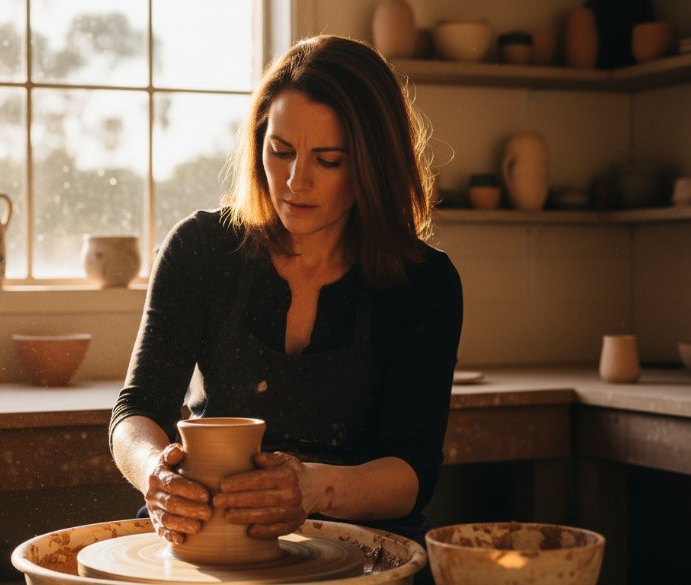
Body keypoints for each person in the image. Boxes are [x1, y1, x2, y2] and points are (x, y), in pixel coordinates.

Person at [108, 34, 462, 582]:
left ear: (374, 164)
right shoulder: (202, 249)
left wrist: (315, 489)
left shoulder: (422, 281)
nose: (296, 181)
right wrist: (154, 472)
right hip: (208, 536)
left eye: (328, 160)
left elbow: (413, 469)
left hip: (360, 545)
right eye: (281, 151)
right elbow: (136, 411)